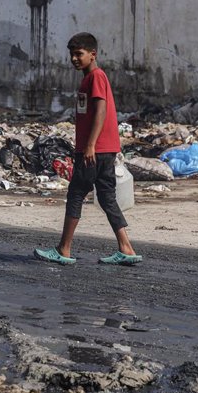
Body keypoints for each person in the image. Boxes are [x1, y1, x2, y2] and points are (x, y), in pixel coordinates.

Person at [34, 32, 142, 266]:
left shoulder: (96, 77)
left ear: (93, 54)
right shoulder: (88, 79)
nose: (74, 58)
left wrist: (90, 145)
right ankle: (127, 248)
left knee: (75, 194)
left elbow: (101, 111)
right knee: (106, 198)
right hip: (103, 150)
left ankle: (63, 249)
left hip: (96, 150)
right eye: (72, 54)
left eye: (79, 54)